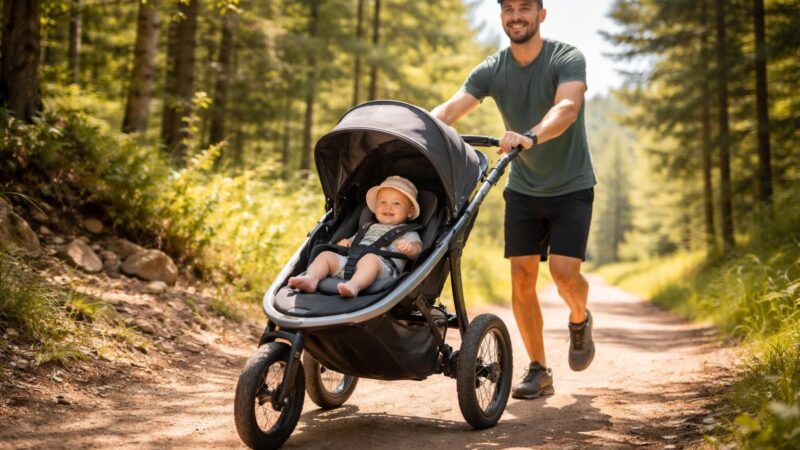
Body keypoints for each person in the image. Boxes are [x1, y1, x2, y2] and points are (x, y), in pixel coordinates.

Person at [431, 0, 596, 399]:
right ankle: (539, 369)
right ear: (502, 16)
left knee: (563, 274)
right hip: (523, 188)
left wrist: (531, 135)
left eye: (525, 7)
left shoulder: (566, 57)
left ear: (542, 14)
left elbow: (568, 107)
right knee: (522, 277)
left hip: (571, 185)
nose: (516, 15)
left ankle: (579, 319)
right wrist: (410, 129)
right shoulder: (493, 68)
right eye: (508, 8)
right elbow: (450, 110)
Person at [288, 176, 423, 298]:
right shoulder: (368, 226)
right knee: (326, 255)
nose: (388, 207)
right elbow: (356, 240)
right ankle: (311, 279)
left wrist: (410, 249)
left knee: (370, 259)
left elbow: (418, 251)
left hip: (382, 270)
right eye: (383, 203)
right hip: (350, 263)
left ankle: (354, 286)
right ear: (376, 207)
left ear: (410, 211)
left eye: (396, 204)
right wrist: (346, 242)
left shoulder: (408, 232)